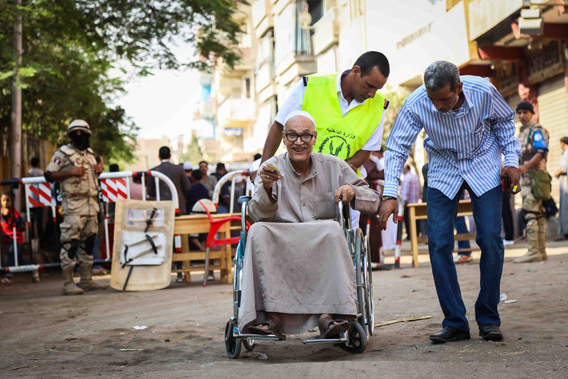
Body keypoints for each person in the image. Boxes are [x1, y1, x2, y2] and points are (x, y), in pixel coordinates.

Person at [379, 61, 521, 344]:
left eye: (445, 99)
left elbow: (504, 122)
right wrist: (390, 193)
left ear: (459, 87)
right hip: (443, 166)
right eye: (434, 100)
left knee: (491, 238)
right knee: (439, 243)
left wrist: (513, 162)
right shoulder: (417, 103)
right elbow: (396, 146)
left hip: (484, 161)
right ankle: (455, 321)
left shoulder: (483, 90)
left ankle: (489, 318)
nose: (439, 107)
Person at [240, 111, 380, 339]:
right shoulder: (270, 168)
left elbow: (373, 199)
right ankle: (272, 318)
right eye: (292, 136)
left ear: (314, 138)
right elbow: (257, 215)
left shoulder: (334, 166)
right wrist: (265, 188)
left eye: (305, 136)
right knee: (257, 231)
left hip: (320, 241)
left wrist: (352, 190)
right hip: (281, 240)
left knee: (333, 229)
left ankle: (329, 316)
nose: (299, 142)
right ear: (283, 139)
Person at [257, 51, 390, 228]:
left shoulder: (378, 106)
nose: (372, 94)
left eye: (377, 89)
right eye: (370, 86)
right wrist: (263, 169)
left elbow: (367, 150)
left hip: (342, 186)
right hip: (299, 179)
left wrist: (342, 170)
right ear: (356, 72)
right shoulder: (310, 86)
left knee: (342, 242)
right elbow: (278, 126)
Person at [44, 120, 108, 295]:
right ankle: (68, 283)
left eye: (82, 133)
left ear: (88, 135)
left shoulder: (90, 154)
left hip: (91, 204)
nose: (79, 136)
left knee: (88, 243)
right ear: (70, 136)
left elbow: (94, 176)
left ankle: (87, 280)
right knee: (70, 243)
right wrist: (69, 172)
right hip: (73, 204)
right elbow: (48, 175)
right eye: (75, 133)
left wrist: (99, 169)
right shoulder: (62, 153)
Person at [514, 101, 549, 263]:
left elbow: (541, 152)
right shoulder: (522, 132)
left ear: (532, 113)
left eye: (525, 112)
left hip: (535, 178)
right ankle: (540, 250)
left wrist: (525, 167)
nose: (522, 116)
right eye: (519, 113)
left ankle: (534, 250)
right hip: (527, 179)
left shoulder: (536, 131)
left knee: (531, 213)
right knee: (537, 214)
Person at [1, 191, 40, 283]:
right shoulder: (1, 211)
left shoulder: (15, 214)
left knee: (9, 254)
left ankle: (8, 275)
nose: (5, 202)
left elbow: (23, 227)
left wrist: (20, 225)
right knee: (18, 258)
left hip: (15, 239)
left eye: (8, 200)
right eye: (3, 200)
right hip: (8, 239)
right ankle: (33, 271)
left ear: (13, 201)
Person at [147, 146, 192, 215]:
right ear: (170, 156)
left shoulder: (153, 171)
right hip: (178, 206)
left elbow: (149, 192)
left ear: (159, 156)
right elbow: (187, 187)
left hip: (161, 207)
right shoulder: (179, 169)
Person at [27, 157, 46, 243]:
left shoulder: (28, 173)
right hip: (40, 198)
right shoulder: (41, 173)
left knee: (31, 219)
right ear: (38, 163)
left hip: (30, 198)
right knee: (40, 220)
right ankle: (41, 240)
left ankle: (32, 238)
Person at [401, 165, 421, 240]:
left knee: (408, 220)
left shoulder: (406, 178)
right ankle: (417, 234)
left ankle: (410, 235)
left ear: (406, 169)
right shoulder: (415, 177)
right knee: (416, 220)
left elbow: (405, 192)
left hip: (408, 203)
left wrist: (403, 203)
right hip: (415, 202)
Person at [555, 137, 568, 240]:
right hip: (563, 181)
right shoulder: (564, 153)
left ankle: (566, 232)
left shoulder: (567, 152)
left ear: (563, 143)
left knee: (565, 207)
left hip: (565, 181)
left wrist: (557, 173)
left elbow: (564, 168)